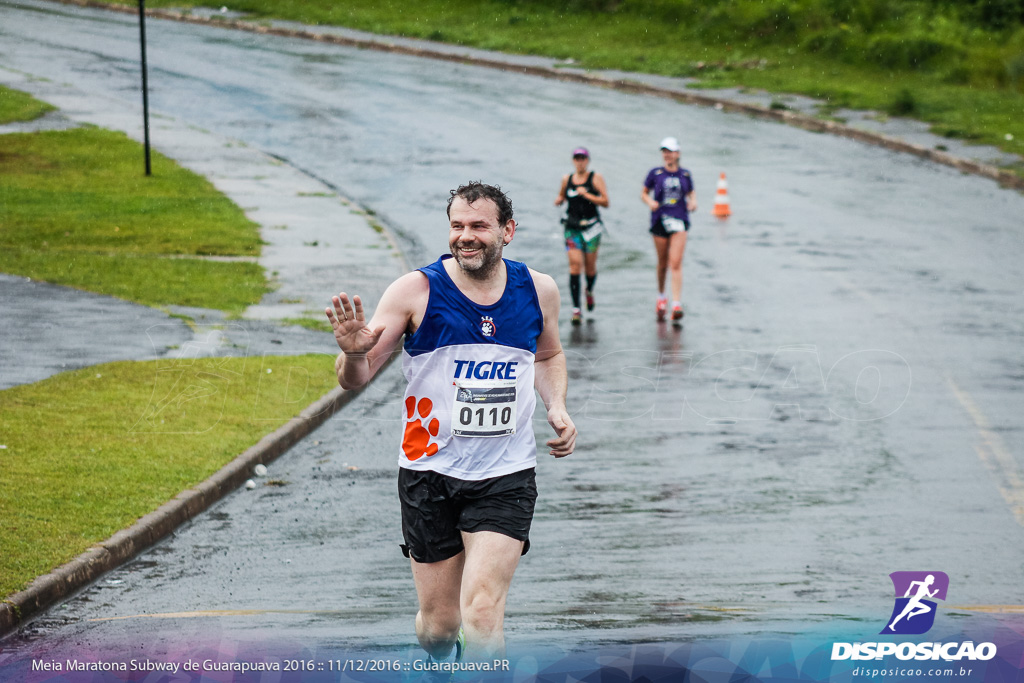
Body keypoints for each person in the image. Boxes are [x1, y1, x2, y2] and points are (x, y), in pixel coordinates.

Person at [325, 182, 577, 662]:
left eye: (479, 226)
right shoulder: (415, 291)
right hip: (429, 473)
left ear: (507, 231)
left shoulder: (537, 290)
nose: (466, 236)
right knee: (441, 627)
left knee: (482, 613)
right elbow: (353, 379)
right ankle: (441, 660)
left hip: (506, 474)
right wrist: (354, 355)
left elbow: (548, 354)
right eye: (457, 226)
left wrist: (556, 405)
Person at [641, 136, 696, 322]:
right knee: (662, 264)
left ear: (678, 153)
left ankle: (677, 304)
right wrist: (650, 202)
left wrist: (693, 203)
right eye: (664, 151)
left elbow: (691, 193)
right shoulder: (655, 173)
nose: (667, 155)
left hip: (679, 219)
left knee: (675, 262)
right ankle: (661, 296)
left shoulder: (685, 175)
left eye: (670, 151)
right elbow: (643, 192)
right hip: (659, 220)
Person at [555, 147, 609, 325]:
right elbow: (561, 196)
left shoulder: (595, 178)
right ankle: (576, 309)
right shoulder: (567, 179)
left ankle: (589, 291)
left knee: (590, 268)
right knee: (575, 266)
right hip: (572, 228)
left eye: (583, 158)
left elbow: (605, 201)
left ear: (588, 161)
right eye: (577, 158)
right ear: (573, 161)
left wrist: (587, 195)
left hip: (592, 228)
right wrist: (559, 200)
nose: (580, 162)